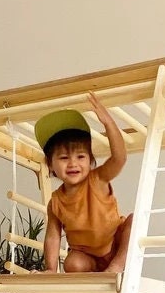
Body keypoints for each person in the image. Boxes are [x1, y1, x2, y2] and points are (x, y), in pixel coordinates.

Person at [34, 92, 132, 273]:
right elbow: (53, 237)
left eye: (80, 156)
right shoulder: (55, 201)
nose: (73, 163)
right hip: (87, 257)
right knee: (72, 264)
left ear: (90, 161)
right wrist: (50, 269)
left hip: (115, 244)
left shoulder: (98, 178)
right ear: (51, 165)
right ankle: (99, 271)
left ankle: (116, 267)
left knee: (135, 221)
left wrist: (108, 123)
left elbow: (119, 158)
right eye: (64, 158)